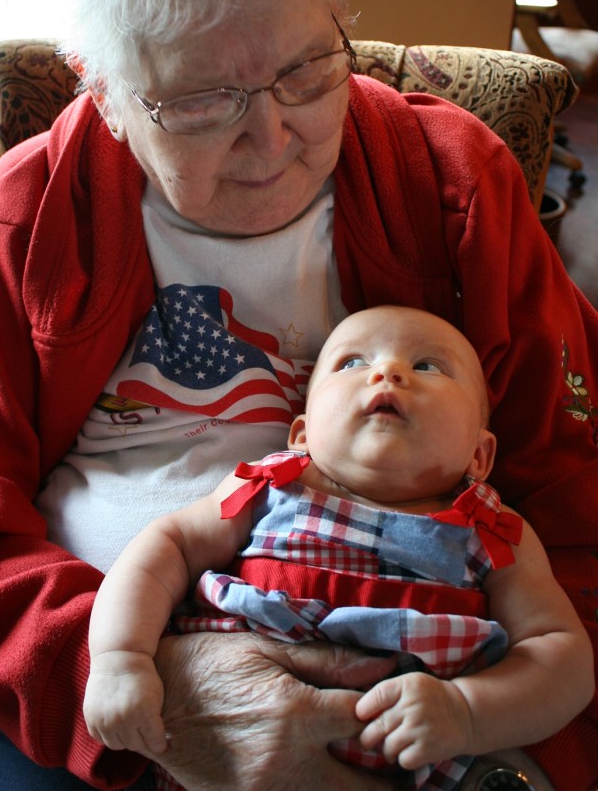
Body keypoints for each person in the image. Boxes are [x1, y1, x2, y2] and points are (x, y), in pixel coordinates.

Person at [0, 0, 597, 791]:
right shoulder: (29, 220)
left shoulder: (456, 186)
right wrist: (136, 690)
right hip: (105, 697)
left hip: (426, 711)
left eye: (307, 69)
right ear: (105, 90)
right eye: (201, 100)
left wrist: (514, 743)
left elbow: (574, 494)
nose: (271, 138)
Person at [83, 306, 594, 791]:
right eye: (352, 363)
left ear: (479, 455)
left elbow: (561, 657)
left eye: (428, 366)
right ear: (301, 435)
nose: (388, 372)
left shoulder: (493, 532)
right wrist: (121, 657)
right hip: (221, 757)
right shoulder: (268, 488)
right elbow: (166, 548)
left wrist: (466, 712)